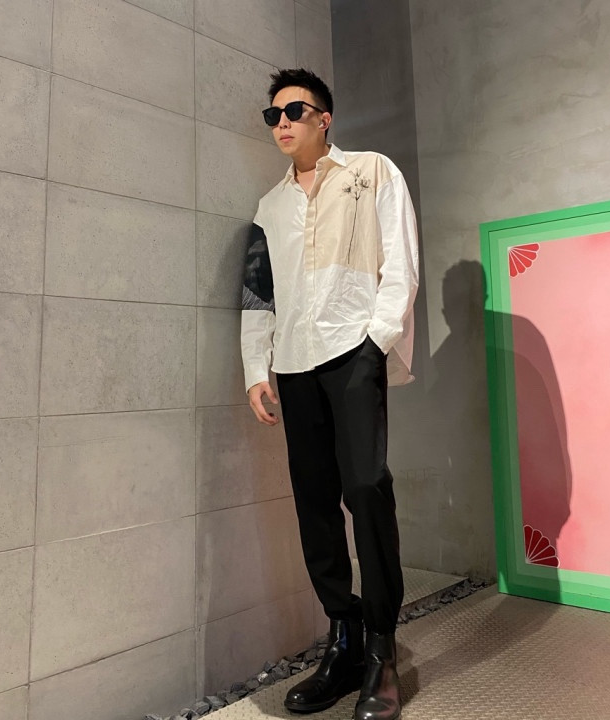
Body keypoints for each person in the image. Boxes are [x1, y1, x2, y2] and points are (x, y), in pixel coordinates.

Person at [240, 68, 419, 720]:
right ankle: (342, 639)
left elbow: (400, 260)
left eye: (295, 111)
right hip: (293, 365)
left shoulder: (371, 171)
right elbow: (257, 293)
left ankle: (381, 648)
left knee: (366, 488)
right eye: (273, 116)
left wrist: (378, 339)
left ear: (325, 118)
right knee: (314, 501)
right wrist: (255, 369)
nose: (282, 123)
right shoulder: (269, 208)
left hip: (353, 351)